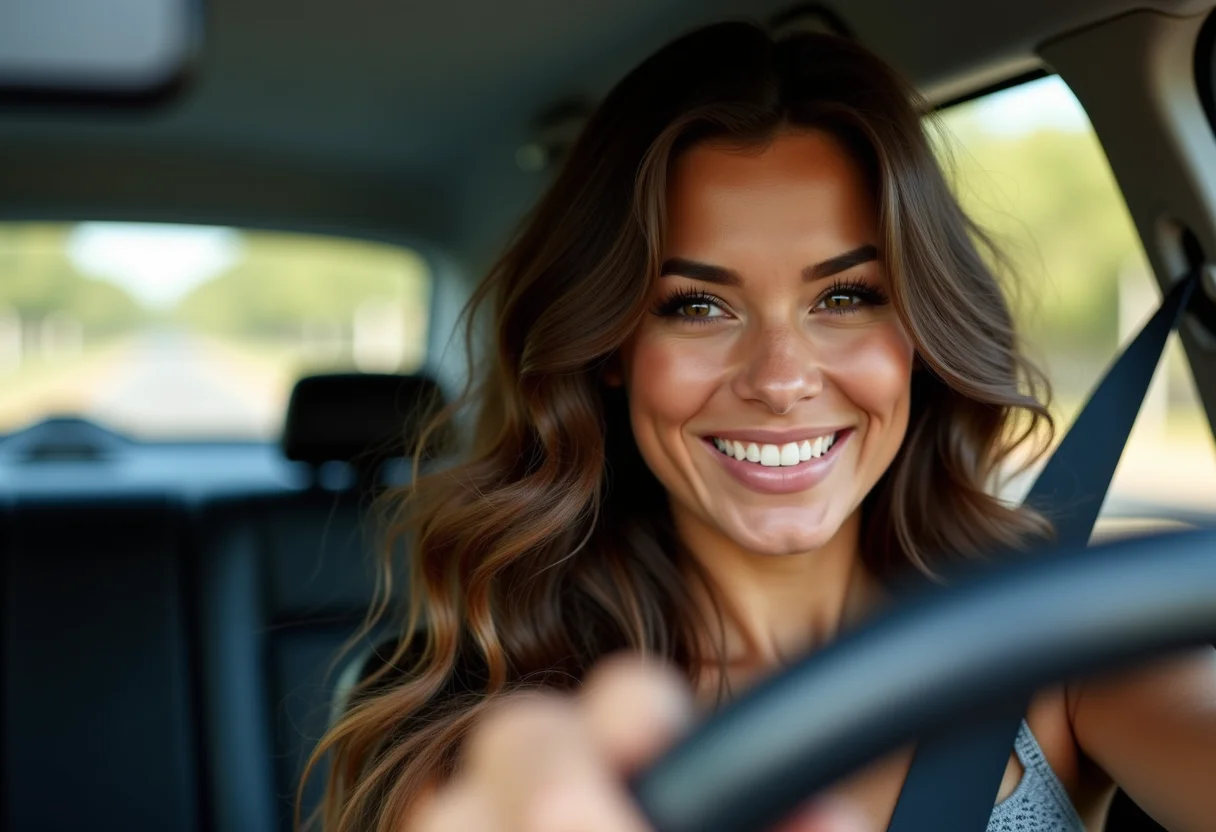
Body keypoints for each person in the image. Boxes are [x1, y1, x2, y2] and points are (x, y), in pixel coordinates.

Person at [306, 21, 1216, 832]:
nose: (781, 380)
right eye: (697, 305)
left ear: (922, 335)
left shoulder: (1054, 625)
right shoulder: (501, 759)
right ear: (612, 346)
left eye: (848, 296)